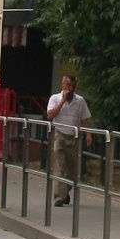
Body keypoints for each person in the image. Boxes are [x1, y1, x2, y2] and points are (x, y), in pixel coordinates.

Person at [47, 74, 92, 207]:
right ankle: (59, 197)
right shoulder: (55, 98)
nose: (71, 89)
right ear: (62, 85)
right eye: (68, 85)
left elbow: (84, 120)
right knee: (60, 167)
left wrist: (89, 134)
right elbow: (50, 115)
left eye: (73, 86)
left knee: (73, 171)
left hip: (74, 137)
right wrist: (62, 101)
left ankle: (65, 191)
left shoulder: (80, 101)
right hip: (59, 134)